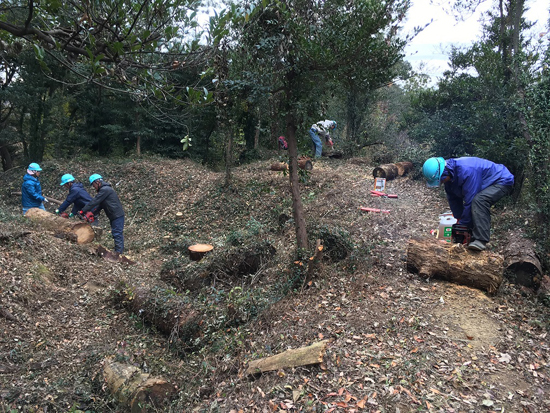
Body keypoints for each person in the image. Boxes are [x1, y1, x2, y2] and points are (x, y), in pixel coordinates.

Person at [422, 156, 514, 251]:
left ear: (444, 173)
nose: (441, 182)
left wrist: (463, 224)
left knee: (479, 200)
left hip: (501, 181)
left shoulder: (467, 171)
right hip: (486, 182)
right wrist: (459, 220)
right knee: (469, 210)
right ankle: (472, 235)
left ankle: (480, 240)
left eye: (441, 180)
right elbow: (453, 199)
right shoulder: (450, 176)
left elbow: (470, 200)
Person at [81, 174, 125, 254]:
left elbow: (95, 201)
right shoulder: (104, 190)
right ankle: (118, 251)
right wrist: (92, 213)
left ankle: (118, 253)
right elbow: (100, 205)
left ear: (97, 182)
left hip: (117, 215)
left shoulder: (105, 190)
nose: (93, 187)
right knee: (116, 233)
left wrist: (83, 210)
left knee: (117, 233)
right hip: (113, 215)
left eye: (93, 184)